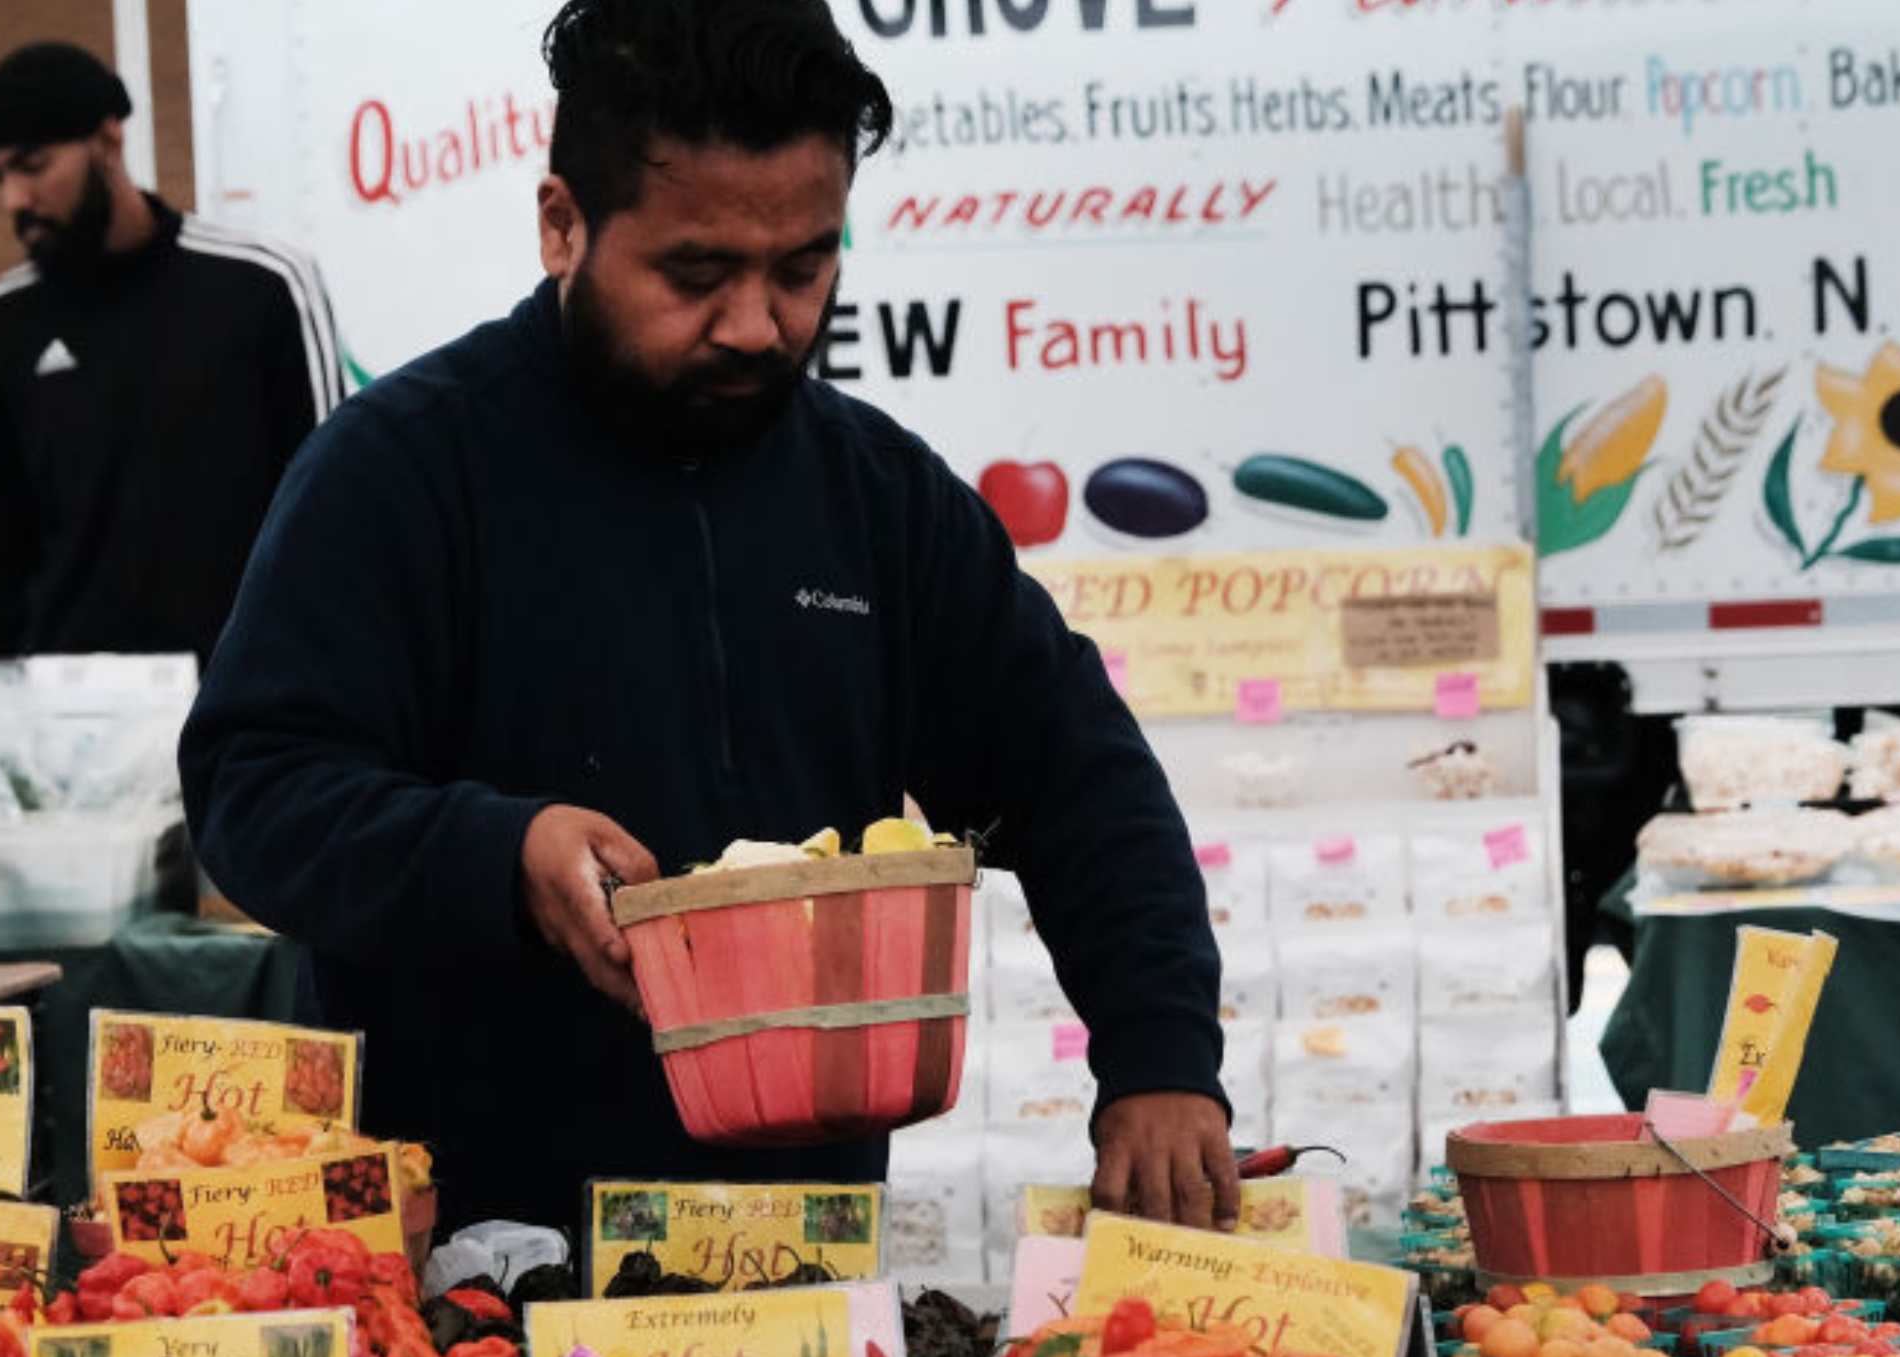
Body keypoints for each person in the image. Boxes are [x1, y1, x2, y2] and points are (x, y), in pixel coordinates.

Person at [179, 0, 1235, 1233]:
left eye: (804, 267)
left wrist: (1160, 1056)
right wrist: (499, 852)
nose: (757, 324)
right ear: (562, 224)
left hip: (799, 1260)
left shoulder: (879, 498)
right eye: (696, 274)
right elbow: (252, 791)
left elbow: (1071, 775)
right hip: (465, 1267)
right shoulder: (402, 471)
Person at [0, 41, 344, 663]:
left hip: (245, 698)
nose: (14, 198)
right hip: (70, 720)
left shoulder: (263, 285)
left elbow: (330, 509)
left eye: (32, 165)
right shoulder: (0, 324)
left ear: (108, 141)